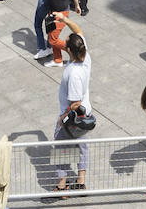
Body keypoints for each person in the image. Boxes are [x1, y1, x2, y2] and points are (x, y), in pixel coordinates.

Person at [53, 32, 93, 195]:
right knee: (81, 146)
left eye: (65, 42)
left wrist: (63, 117)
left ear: (69, 50)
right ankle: (81, 181)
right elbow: (79, 31)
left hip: (73, 119)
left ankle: (62, 186)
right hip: (85, 116)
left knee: (61, 148)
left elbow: (75, 103)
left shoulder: (74, 73)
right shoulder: (85, 59)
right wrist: (63, 19)